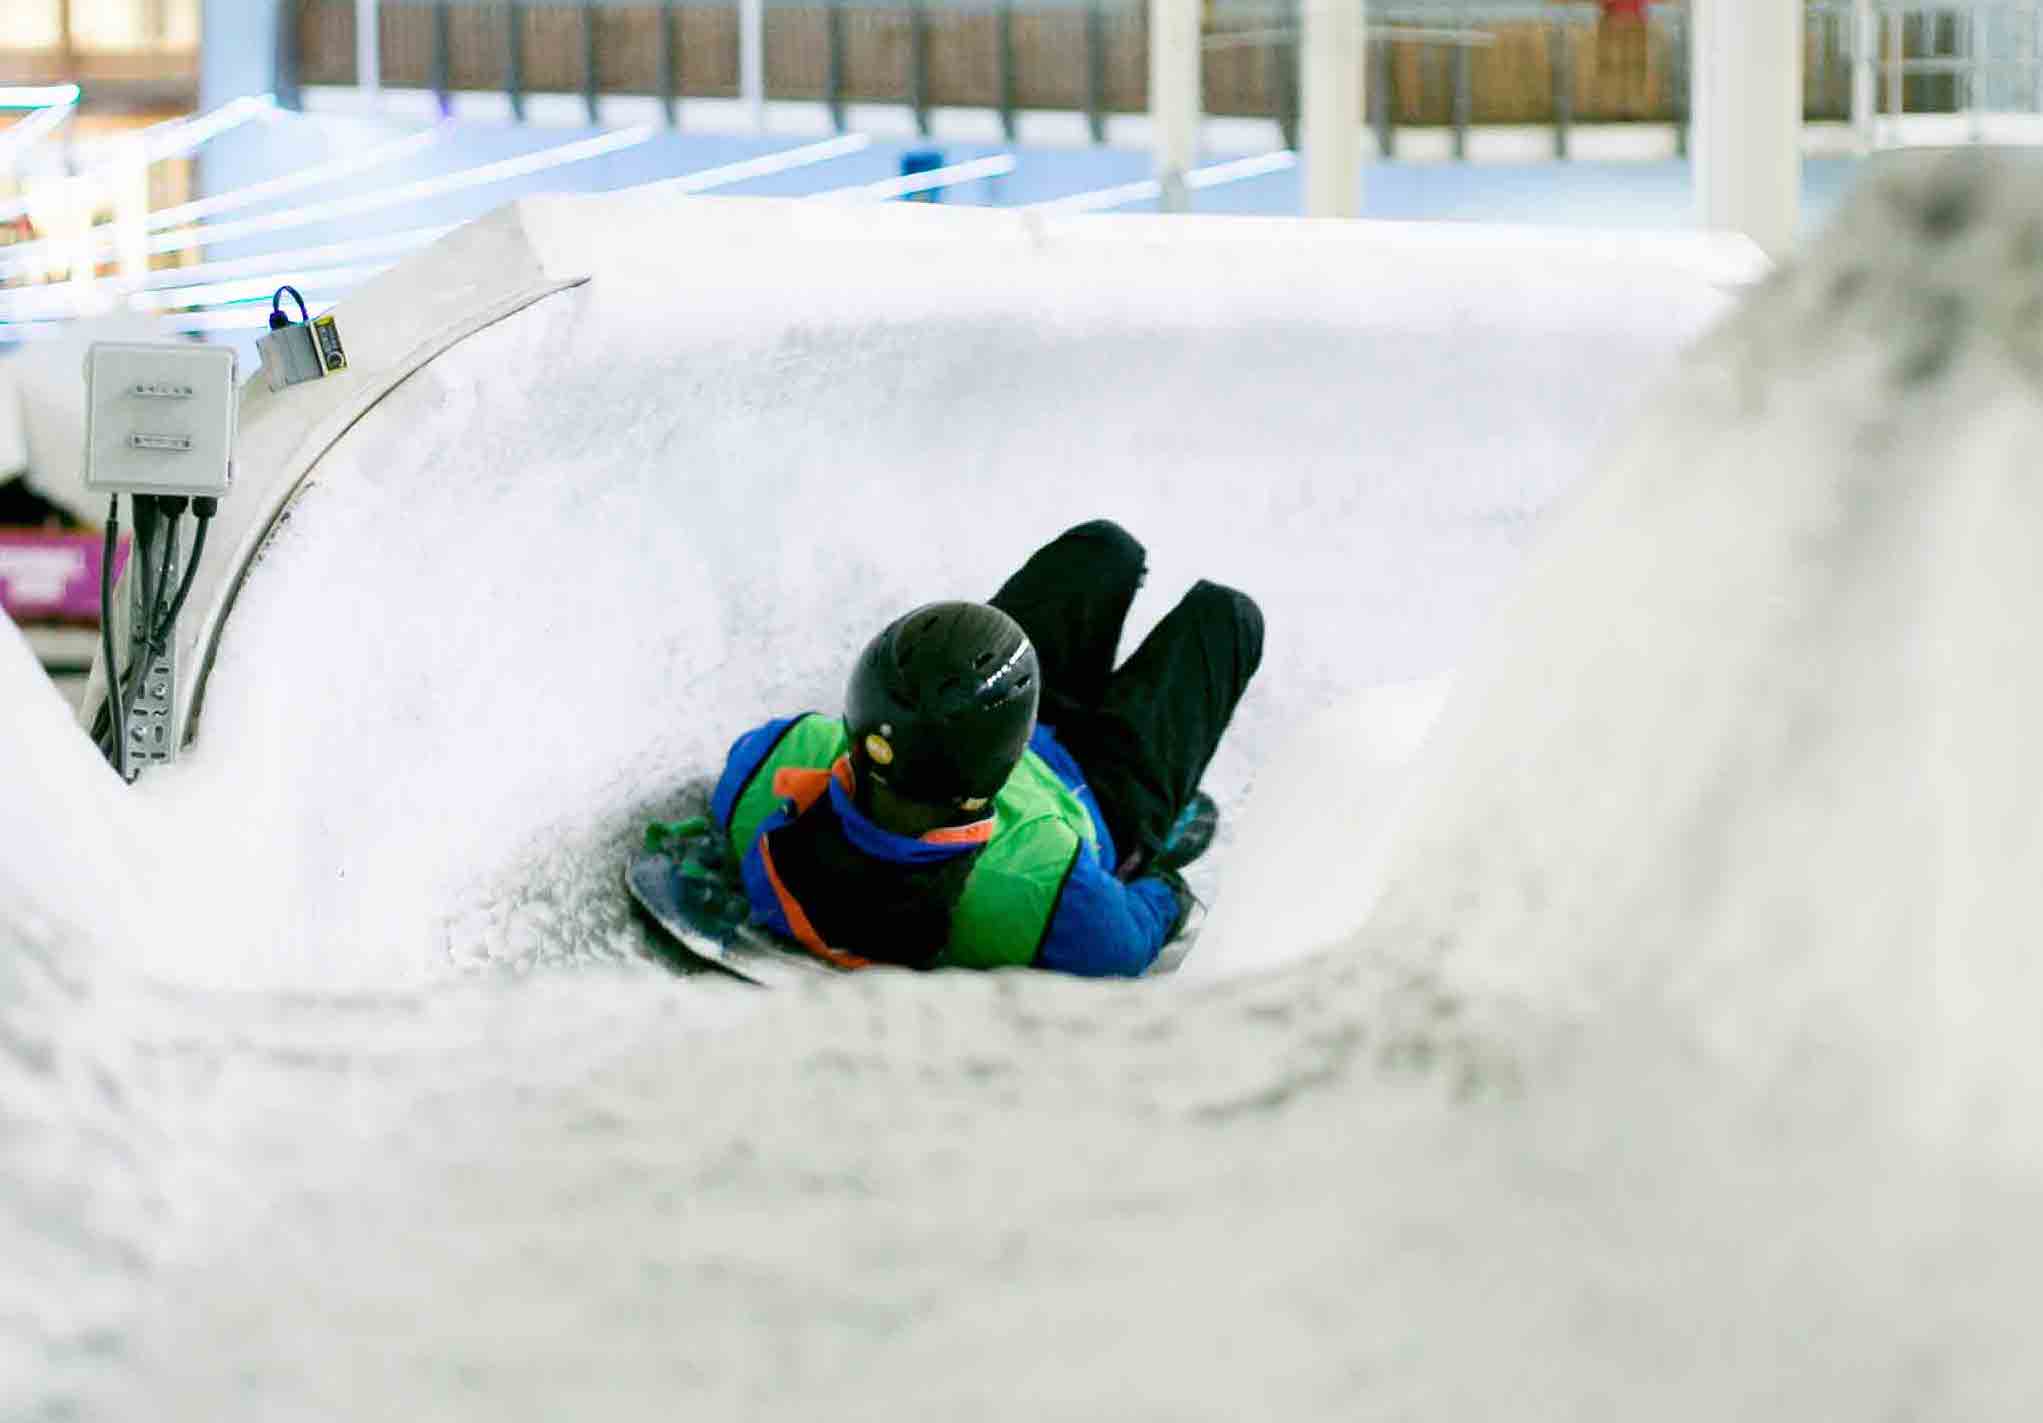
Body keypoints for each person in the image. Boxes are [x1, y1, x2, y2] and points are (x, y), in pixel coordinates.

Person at [704, 519, 1264, 977]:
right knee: (1226, 615)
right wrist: (1166, 887)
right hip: (1106, 790)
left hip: (978, 717)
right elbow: (1135, 935)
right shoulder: (1048, 892)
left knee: (1105, 548)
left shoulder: (771, 764)